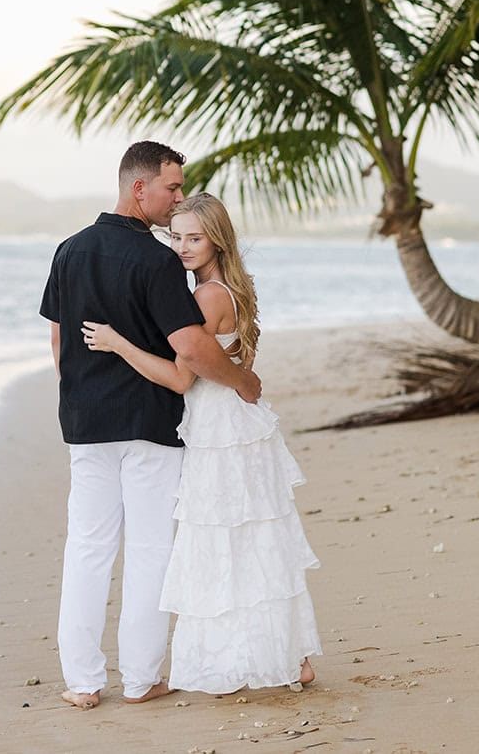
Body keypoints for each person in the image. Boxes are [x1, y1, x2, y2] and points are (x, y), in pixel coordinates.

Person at [41, 143, 263, 711]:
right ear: (139, 188)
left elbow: (60, 341)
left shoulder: (69, 251)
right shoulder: (158, 262)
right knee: (147, 550)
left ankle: (83, 682)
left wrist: (79, 395)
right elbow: (190, 347)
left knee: (87, 547)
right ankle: (140, 680)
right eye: (171, 188)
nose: (177, 199)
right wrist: (241, 379)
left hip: (85, 424)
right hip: (149, 424)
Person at [83, 192, 321, 694]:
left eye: (194, 237)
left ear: (217, 239)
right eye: (176, 236)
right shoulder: (224, 289)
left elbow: (178, 379)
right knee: (252, 540)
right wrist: (241, 380)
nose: (183, 247)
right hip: (234, 427)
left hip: (220, 435)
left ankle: (263, 657)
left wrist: (116, 343)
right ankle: (288, 654)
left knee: (223, 542)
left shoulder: (206, 298)